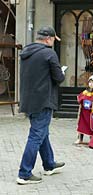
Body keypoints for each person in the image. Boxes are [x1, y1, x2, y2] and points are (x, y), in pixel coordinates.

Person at [16, 26, 66, 184]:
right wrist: (62, 72)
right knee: (36, 135)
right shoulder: (49, 53)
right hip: (43, 101)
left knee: (42, 132)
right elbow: (58, 78)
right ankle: (24, 173)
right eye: (53, 40)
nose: (53, 42)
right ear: (48, 39)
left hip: (28, 101)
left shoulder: (26, 52)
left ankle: (49, 165)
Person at [75, 75, 93, 144]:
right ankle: (80, 139)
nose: (91, 84)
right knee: (81, 125)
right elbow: (80, 99)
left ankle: (92, 139)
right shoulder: (85, 92)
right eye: (90, 82)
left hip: (91, 113)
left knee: (92, 126)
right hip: (83, 113)